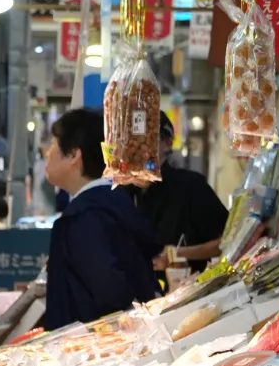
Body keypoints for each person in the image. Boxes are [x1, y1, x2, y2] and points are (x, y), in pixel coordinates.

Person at [41, 107, 162, 329]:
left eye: (53, 144)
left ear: (74, 155)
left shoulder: (84, 217)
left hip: (94, 351)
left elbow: (110, 290)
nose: (47, 153)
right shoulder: (114, 202)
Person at [135, 111, 228, 273]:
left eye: (149, 139)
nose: (141, 147)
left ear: (168, 143)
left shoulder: (191, 186)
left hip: (183, 290)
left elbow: (229, 241)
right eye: (134, 140)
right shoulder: (121, 192)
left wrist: (178, 254)